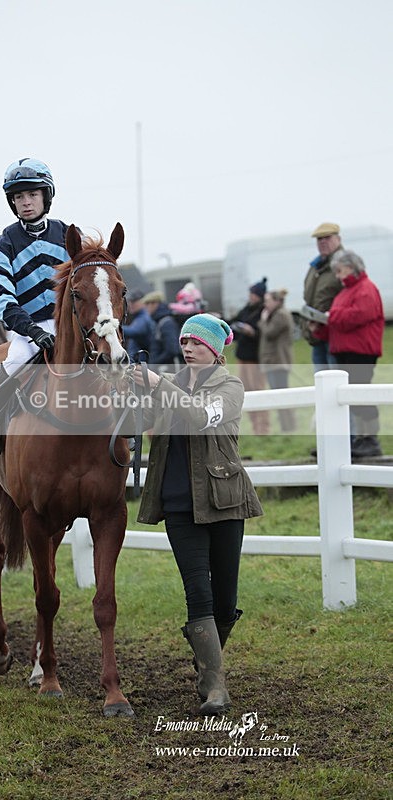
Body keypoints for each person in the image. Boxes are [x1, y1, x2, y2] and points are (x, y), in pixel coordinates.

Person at [131, 313, 263, 716]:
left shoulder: (230, 386)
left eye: (196, 342)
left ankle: (207, 660)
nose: (187, 347)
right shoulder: (172, 383)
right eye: (184, 341)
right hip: (177, 504)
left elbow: (200, 418)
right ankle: (215, 686)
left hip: (225, 500)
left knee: (225, 601)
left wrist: (158, 384)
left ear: (215, 349)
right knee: (198, 593)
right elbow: (142, 420)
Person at [0, 157, 71, 454]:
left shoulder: (69, 235)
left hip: (70, 323)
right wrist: (32, 331)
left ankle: (127, 421)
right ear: (12, 202)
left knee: (107, 354)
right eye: (19, 197)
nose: (26, 202)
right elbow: (2, 300)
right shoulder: (3, 244)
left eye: (32, 194)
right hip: (27, 330)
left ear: (46, 195)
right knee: (16, 360)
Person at [310, 250, 385, 458]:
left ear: (351, 267)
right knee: (349, 398)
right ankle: (359, 439)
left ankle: (370, 439)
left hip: (361, 350)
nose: (338, 276)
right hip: (344, 349)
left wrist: (330, 316)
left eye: (340, 271)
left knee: (361, 395)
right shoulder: (345, 292)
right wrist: (320, 327)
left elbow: (358, 315)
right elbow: (339, 321)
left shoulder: (366, 289)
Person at [229, 278, 270, 435]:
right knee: (246, 391)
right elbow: (235, 322)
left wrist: (252, 332)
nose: (250, 297)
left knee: (258, 389)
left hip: (255, 358)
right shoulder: (246, 309)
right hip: (242, 356)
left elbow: (264, 333)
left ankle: (263, 428)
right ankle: (254, 427)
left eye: (253, 294)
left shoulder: (263, 312)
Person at [302, 222, 343, 371]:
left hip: (335, 335)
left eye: (327, 237)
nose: (323, 242)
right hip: (317, 335)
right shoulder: (315, 266)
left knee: (336, 380)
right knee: (321, 382)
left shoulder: (344, 263)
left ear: (338, 239)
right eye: (319, 239)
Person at [258, 289, 296, 433]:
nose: (265, 304)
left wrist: (263, 321)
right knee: (278, 393)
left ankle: (288, 426)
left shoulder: (281, 315)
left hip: (278, 361)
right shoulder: (276, 314)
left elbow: (269, 333)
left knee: (281, 395)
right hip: (272, 361)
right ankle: (285, 426)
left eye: (268, 301)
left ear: (277, 301)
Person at [141, 290, 182, 369]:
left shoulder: (166, 323)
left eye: (147, 304)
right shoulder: (159, 321)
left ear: (155, 304)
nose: (145, 308)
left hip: (168, 370)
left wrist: (155, 362)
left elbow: (172, 350)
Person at [122, 289, 155, 361]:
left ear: (143, 302)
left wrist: (114, 327)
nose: (130, 304)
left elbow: (135, 331)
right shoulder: (138, 317)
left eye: (133, 301)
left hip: (141, 364)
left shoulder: (143, 317)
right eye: (129, 301)